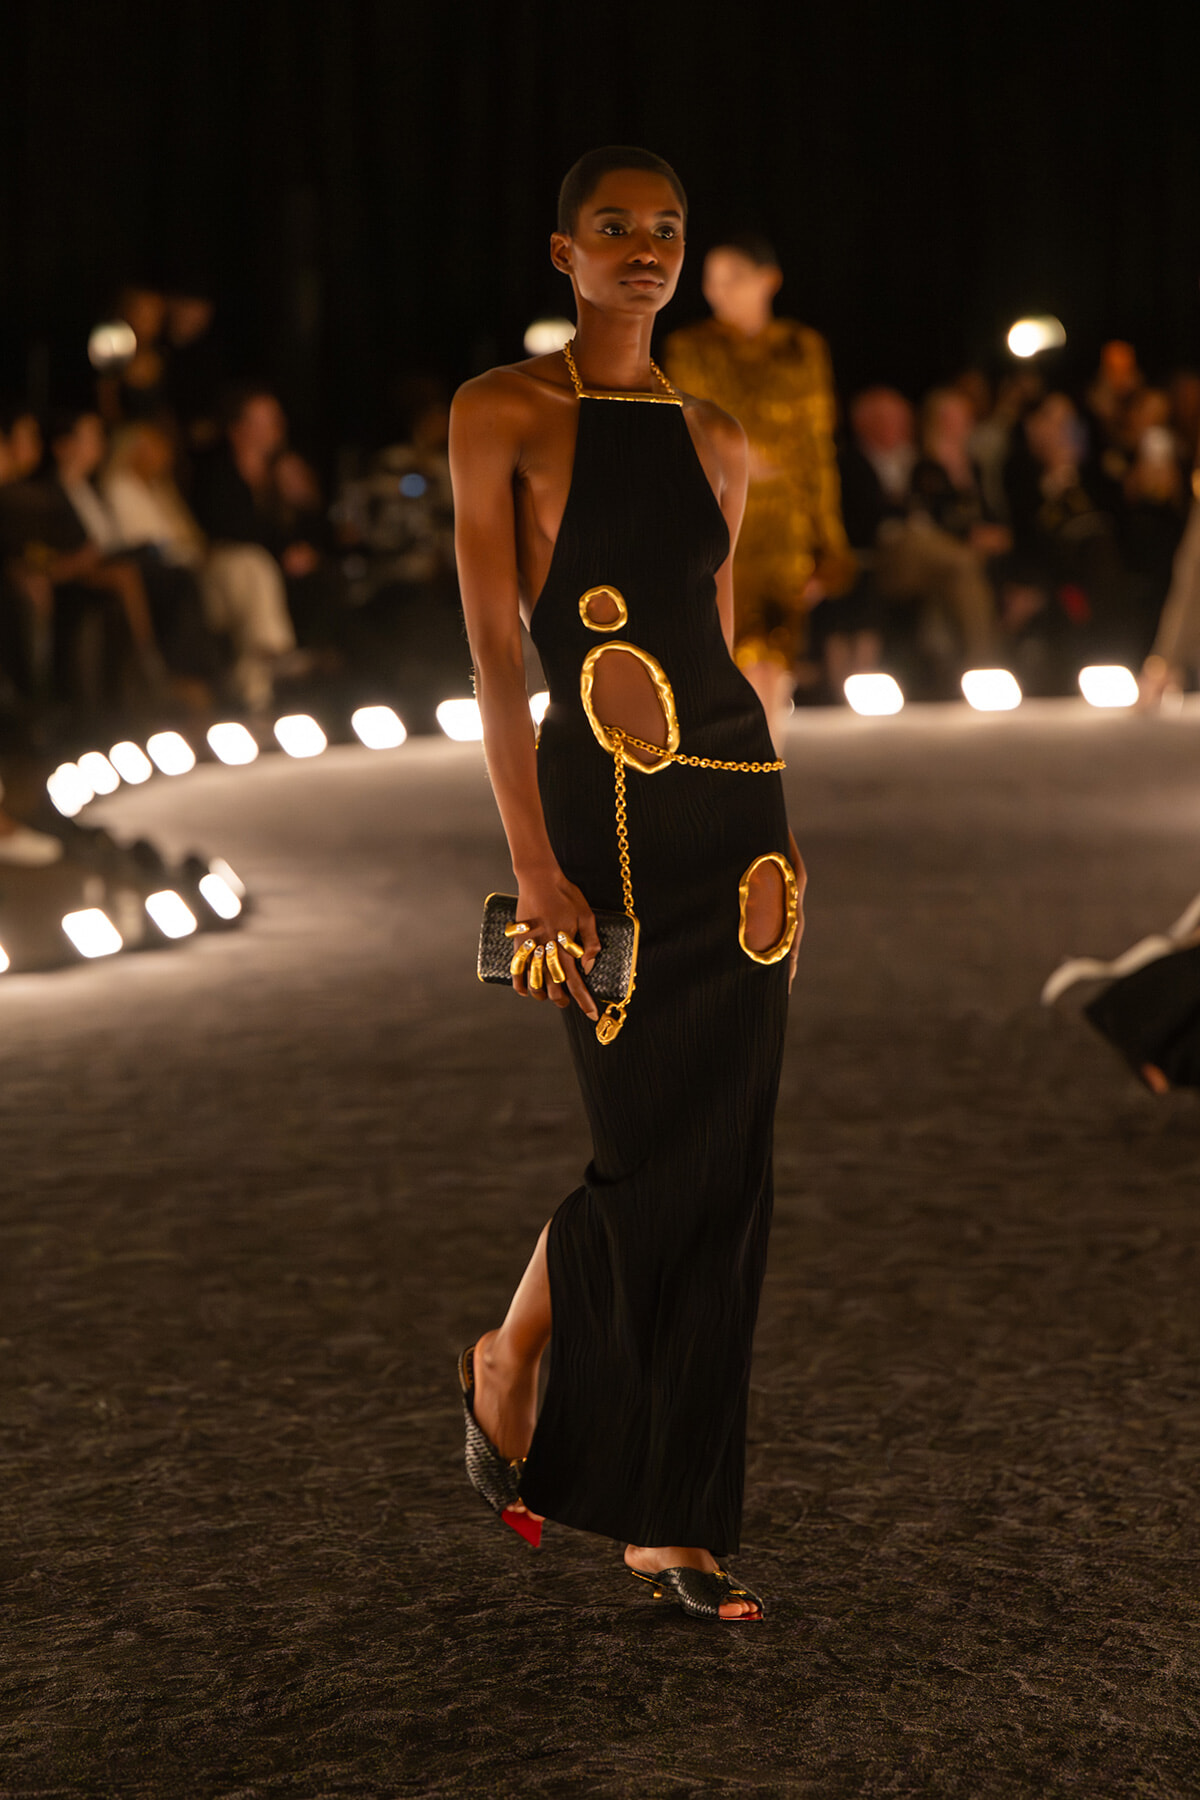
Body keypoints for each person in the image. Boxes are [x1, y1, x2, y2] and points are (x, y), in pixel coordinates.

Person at [449, 147, 806, 1622]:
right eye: (617, 228)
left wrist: (786, 836)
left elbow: (719, 651)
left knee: (724, 1172)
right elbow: (489, 655)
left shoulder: (719, 434)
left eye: (666, 229)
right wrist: (531, 863)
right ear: (562, 252)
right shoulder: (501, 413)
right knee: (648, 1156)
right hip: (596, 808)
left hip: (740, 824)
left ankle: (674, 1517)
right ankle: (512, 1356)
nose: (647, 250)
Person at [663, 234, 854, 746]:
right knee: (727, 645)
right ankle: (739, 766)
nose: (718, 291)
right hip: (722, 515)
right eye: (711, 279)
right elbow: (685, 432)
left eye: (734, 278)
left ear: (768, 279)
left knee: (776, 647)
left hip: (786, 524)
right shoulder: (691, 348)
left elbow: (817, 447)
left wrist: (827, 541)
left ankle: (766, 765)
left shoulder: (801, 348)